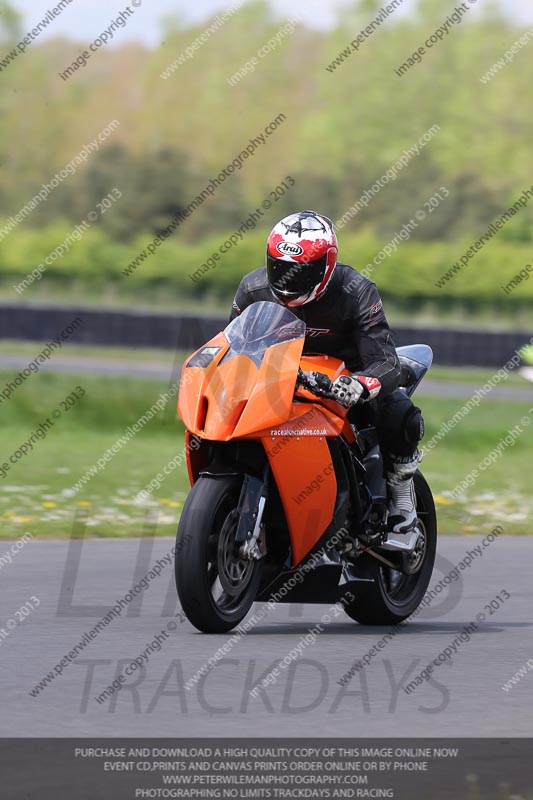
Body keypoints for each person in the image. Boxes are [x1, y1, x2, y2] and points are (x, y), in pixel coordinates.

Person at [229, 211, 424, 541]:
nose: (288, 279)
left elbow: (386, 361)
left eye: (301, 271)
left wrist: (361, 383)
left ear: (327, 264)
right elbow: (232, 346)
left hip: (344, 383)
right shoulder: (253, 288)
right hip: (279, 381)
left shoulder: (356, 292)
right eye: (280, 266)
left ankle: (402, 495)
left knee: (400, 412)